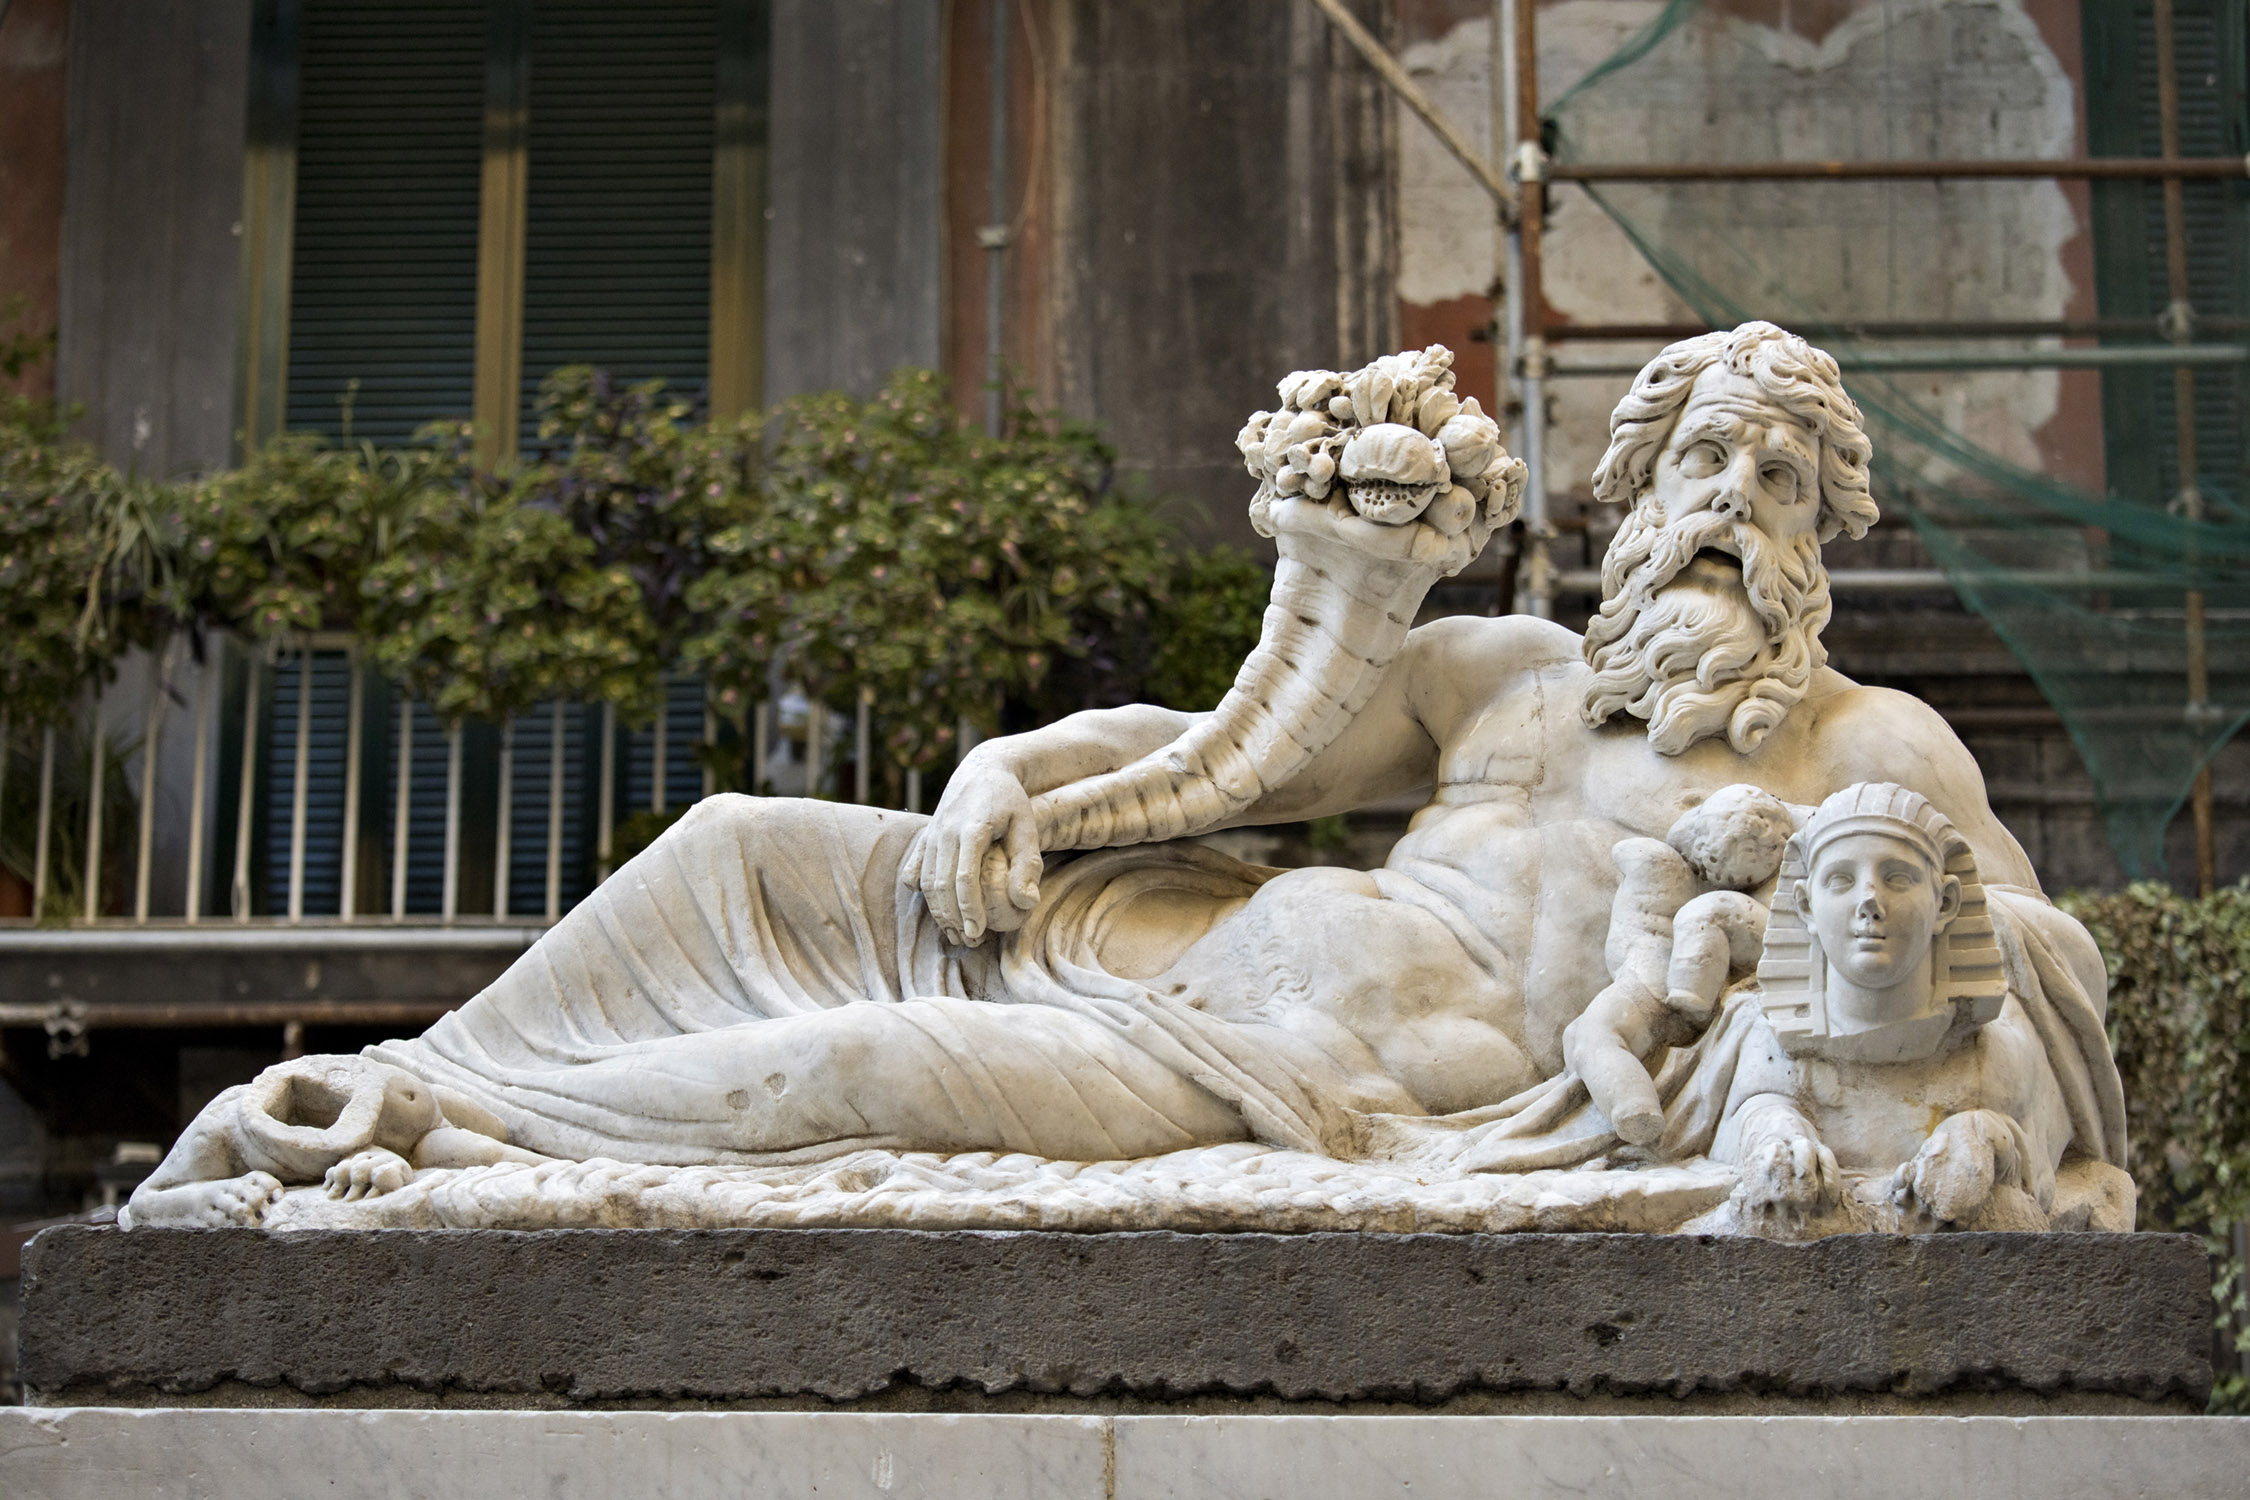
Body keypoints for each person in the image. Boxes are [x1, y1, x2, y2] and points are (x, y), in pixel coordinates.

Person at [127, 322, 2125, 1228]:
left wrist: (1788, 948)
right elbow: (1228, 752)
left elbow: (2027, 976)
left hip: (1285, 1088)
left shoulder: (1876, 748)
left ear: (1822, 532)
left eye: (1774, 485)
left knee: (857, 1076)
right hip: (1164, 945)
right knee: (744, 846)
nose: (1728, 512)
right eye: (1699, 467)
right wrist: (1022, 763)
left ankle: (396, 1123)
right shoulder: (1511, 671)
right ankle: (449, 1088)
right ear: (1636, 491)